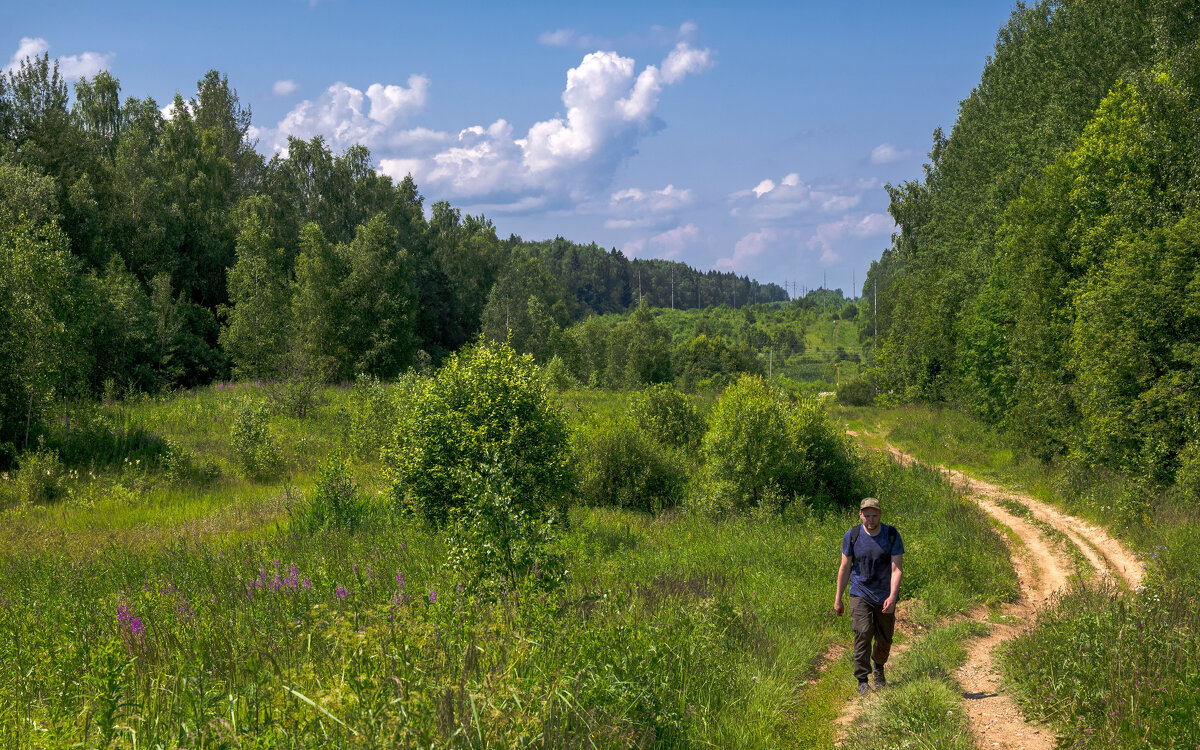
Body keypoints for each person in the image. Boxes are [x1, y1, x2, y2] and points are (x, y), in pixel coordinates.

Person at [834, 497, 904, 696]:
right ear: (860, 515)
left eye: (874, 515)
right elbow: (845, 567)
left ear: (880, 515)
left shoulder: (891, 535)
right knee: (863, 632)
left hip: (885, 594)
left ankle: (879, 667)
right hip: (860, 592)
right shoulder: (852, 535)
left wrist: (892, 596)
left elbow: (896, 568)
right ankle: (862, 679)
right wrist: (838, 598)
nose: (870, 519)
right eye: (866, 515)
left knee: (884, 639)